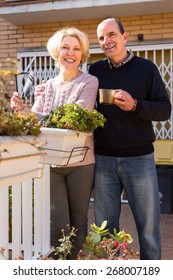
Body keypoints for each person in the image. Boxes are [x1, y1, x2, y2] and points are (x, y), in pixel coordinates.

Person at [11, 27, 99, 259]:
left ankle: (76, 267)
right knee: (57, 223)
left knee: (79, 220)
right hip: (50, 161)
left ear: (82, 54)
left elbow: (75, 117)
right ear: (56, 52)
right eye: (65, 47)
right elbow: (34, 123)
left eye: (76, 49)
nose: (71, 53)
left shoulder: (89, 82)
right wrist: (21, 110)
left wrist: (38, 114)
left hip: (81, 161)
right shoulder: (47, 86)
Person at [89, 18, 172, 260]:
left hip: (140, 159)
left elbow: (164, 110)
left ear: (125, 37)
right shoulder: (96, 70)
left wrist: (134, 105)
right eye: (102, 38)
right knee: (105, 231)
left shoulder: (146, 69)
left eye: (111, 35)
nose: (107, 41)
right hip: (103, 159)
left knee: (148, 231)